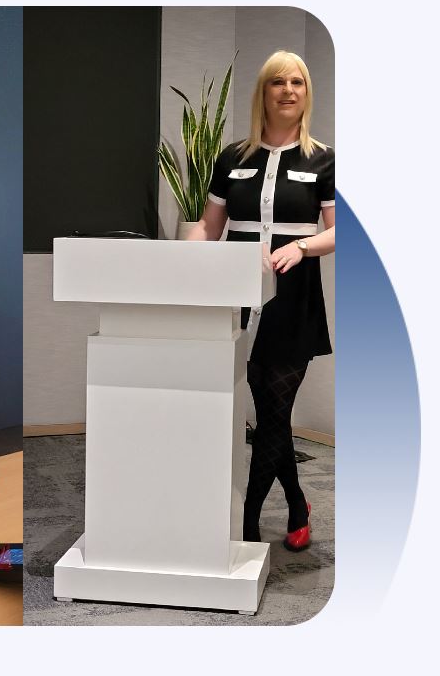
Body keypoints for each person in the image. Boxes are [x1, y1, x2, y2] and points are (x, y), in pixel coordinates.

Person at [188, 50, 334, 551]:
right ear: (264, 93)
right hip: (237, 299)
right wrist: (182, 269)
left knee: (273, 410)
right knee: (271, 414)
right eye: (278, 82)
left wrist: (301, 245)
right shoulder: (232, 157)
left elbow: (343, 233)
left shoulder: (323, 159)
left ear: (306, 93)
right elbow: (209, 228)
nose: (288, 90)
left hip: (293, 303)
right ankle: (296, 504)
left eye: (297, 82)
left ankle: (246, 526)